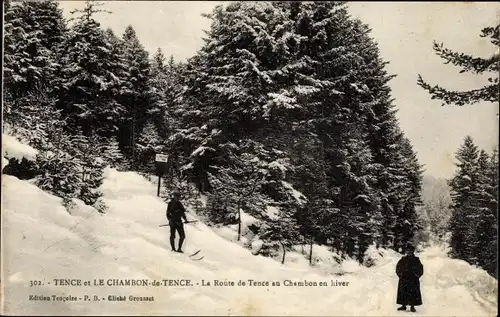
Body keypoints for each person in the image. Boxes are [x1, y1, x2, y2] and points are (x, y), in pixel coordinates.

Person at [396, 245, 424, 312]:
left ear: (413, 252)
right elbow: (398, 268)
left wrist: (417, 276)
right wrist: (401, 275)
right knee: (403, 292)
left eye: (410, 251)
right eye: (407, 251)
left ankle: (412, 306)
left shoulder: (416, 260)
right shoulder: (403, 259)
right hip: (404, 279)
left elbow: (420, 269)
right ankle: (403, 306)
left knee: (413, 293)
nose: (409, 252)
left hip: (413, 280)